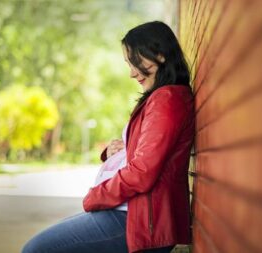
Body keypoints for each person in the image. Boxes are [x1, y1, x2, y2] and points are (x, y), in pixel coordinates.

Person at [22, 21, 194, 253]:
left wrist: (94, 197)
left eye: (136, 62)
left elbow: (142, 172)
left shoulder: (167, 99)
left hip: (138, 221)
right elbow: (150, 153)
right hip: (133, 213)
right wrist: (122, 148)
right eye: (129, 64)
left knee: (37, 249)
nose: (132, 73)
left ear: (161, 54)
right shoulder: (163, 97)